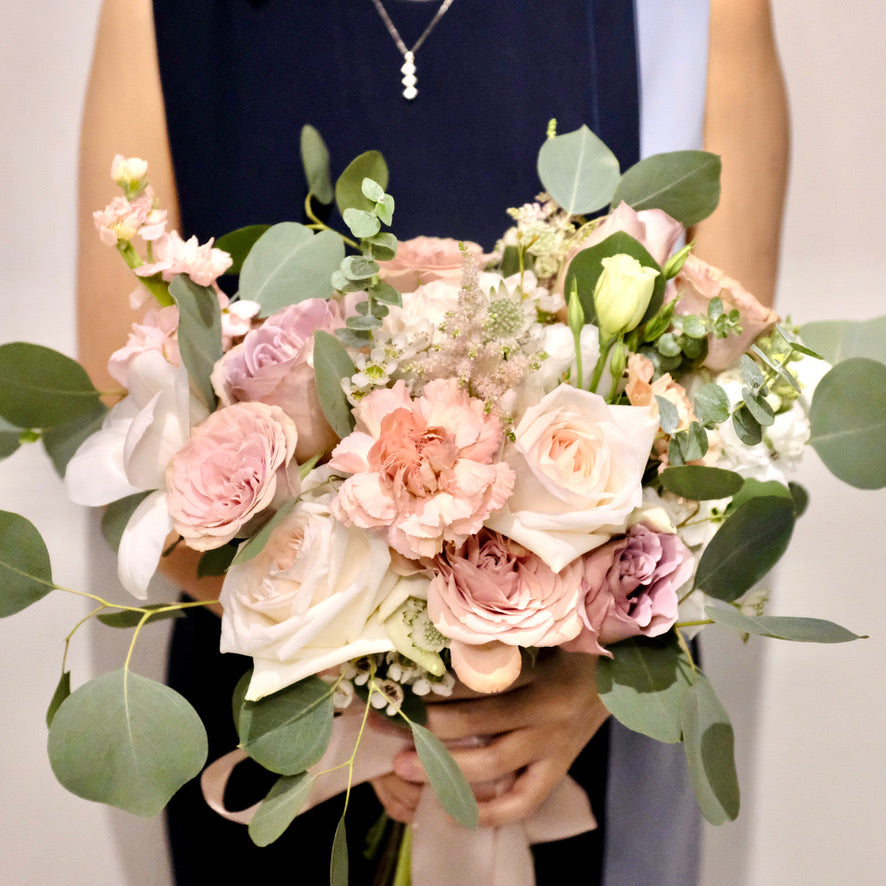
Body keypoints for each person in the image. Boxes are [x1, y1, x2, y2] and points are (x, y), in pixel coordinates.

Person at [77, 1, 789, 883]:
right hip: (275, 709)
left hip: (581, 720)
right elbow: (119, 391)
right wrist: (356, 652)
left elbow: (737, 382)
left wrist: (575, 676)